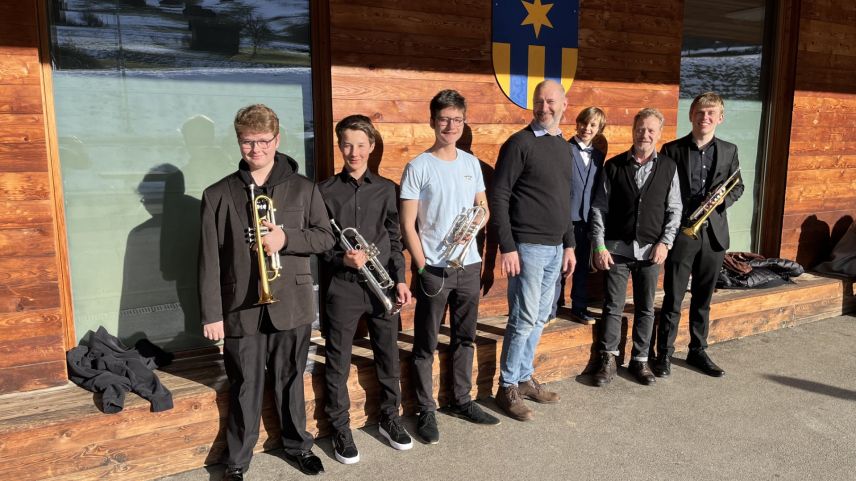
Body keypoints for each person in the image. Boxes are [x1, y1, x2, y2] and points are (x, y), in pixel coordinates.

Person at [199, 104, 335, 480]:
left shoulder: (303, 188)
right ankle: (238, 461)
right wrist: (212, 314)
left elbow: (325, 238)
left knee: (290, 379)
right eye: (247, 142)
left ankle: (298, 446)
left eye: (262, 141)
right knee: (244, 385)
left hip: (291, 303)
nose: (255, 149)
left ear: (276, 140)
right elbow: (209, 260)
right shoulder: (218, 194)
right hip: (240, 306)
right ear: (238, 142)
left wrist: (286, 239)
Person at [400, 89, 500, 444]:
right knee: (425, 342)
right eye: (444, 119)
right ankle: (426, 409)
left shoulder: (471, 163)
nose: (451, 125)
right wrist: (423, 266)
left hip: (468, 265)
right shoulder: (418, 166)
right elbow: (407, 224)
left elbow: (483, 208)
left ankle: (461, 400)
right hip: (435, 269)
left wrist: (475, 224)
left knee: (465, 337)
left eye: (457, 119)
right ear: (433, 121)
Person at [318, 115, 413, 464]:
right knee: (338, 360)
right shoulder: (324, 191)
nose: (353, 152)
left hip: (381, 287)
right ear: (339, 146)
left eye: (360, 145)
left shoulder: (387, 188)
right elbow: (321, 243)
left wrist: (401, 279)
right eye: (347, 144)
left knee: (388, 354)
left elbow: (394, 237)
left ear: (371, 147)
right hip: (343, 287)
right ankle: (339, 427)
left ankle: (390, 417)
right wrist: (343, 258)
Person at [490, 80, 577, 421]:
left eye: (551, 101)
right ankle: (507, 386)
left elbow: (564, 201)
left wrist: (569, 243)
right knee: (523, 318)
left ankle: (524, 377)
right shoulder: (519, 144)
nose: (544, 107)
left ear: (564, 104)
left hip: (555, 248)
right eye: (539, 101)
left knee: (540, 317)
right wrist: (507, 247)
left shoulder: (563, 147)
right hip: (527, 247)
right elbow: (500, 196)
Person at [589, 107, 682, 387]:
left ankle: (640, 360)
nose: (645, 134)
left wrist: (665, 243)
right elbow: (598, 209)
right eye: (640, 129)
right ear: (633, 130)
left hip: (651, 252)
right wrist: (599, 246)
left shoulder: (668, 167)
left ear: (658, 134)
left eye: (651, 130)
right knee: (613, 306)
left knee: (645, 309)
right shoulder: (614, 166)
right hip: (617, 249)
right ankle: (609, 359)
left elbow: (675, 210)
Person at [653, 92, 744, 378]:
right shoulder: (672, 149)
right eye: (700, 113)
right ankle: (664, 354)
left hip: (714, 235)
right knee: (673, 297)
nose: (705, 118)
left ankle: (697, 350)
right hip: (683, 232)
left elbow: (737, 187)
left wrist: (720, 203)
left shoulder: (729, 150)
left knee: (703, 298)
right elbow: (663, 189)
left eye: (711, 113)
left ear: (720, 117)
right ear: (691, 116)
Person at [550, 106, 607, 325]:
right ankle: (552, 308)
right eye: (584, 123)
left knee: (582, 266)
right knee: (559, 266)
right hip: (564, 219)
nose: (587, 128)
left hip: (585, 222)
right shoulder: (564, 150)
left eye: (593, 125)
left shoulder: (599, 157)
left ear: (598, 129)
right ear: (577, 123)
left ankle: (579, 308)